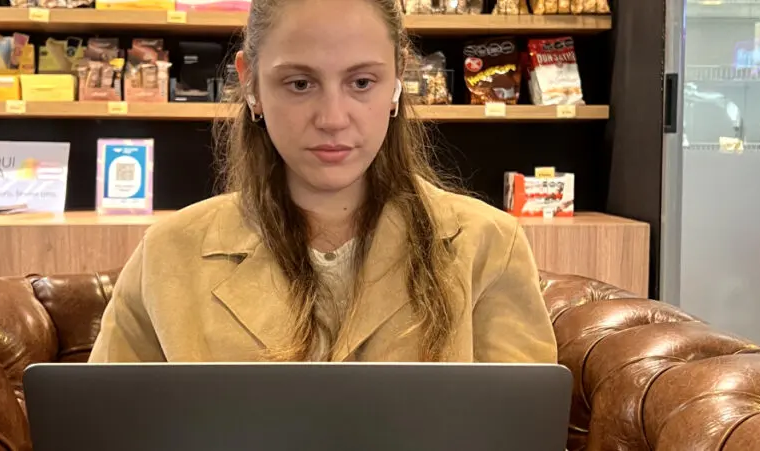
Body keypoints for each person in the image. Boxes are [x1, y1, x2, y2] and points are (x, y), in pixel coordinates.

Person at [88, 0, 558, 363]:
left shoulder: (490, 246)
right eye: (299, 83)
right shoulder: (168, 255)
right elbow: (102, 429)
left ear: (397, 78)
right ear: (251, 84)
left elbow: (520, 431)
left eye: (360, 83)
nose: (333, 119)